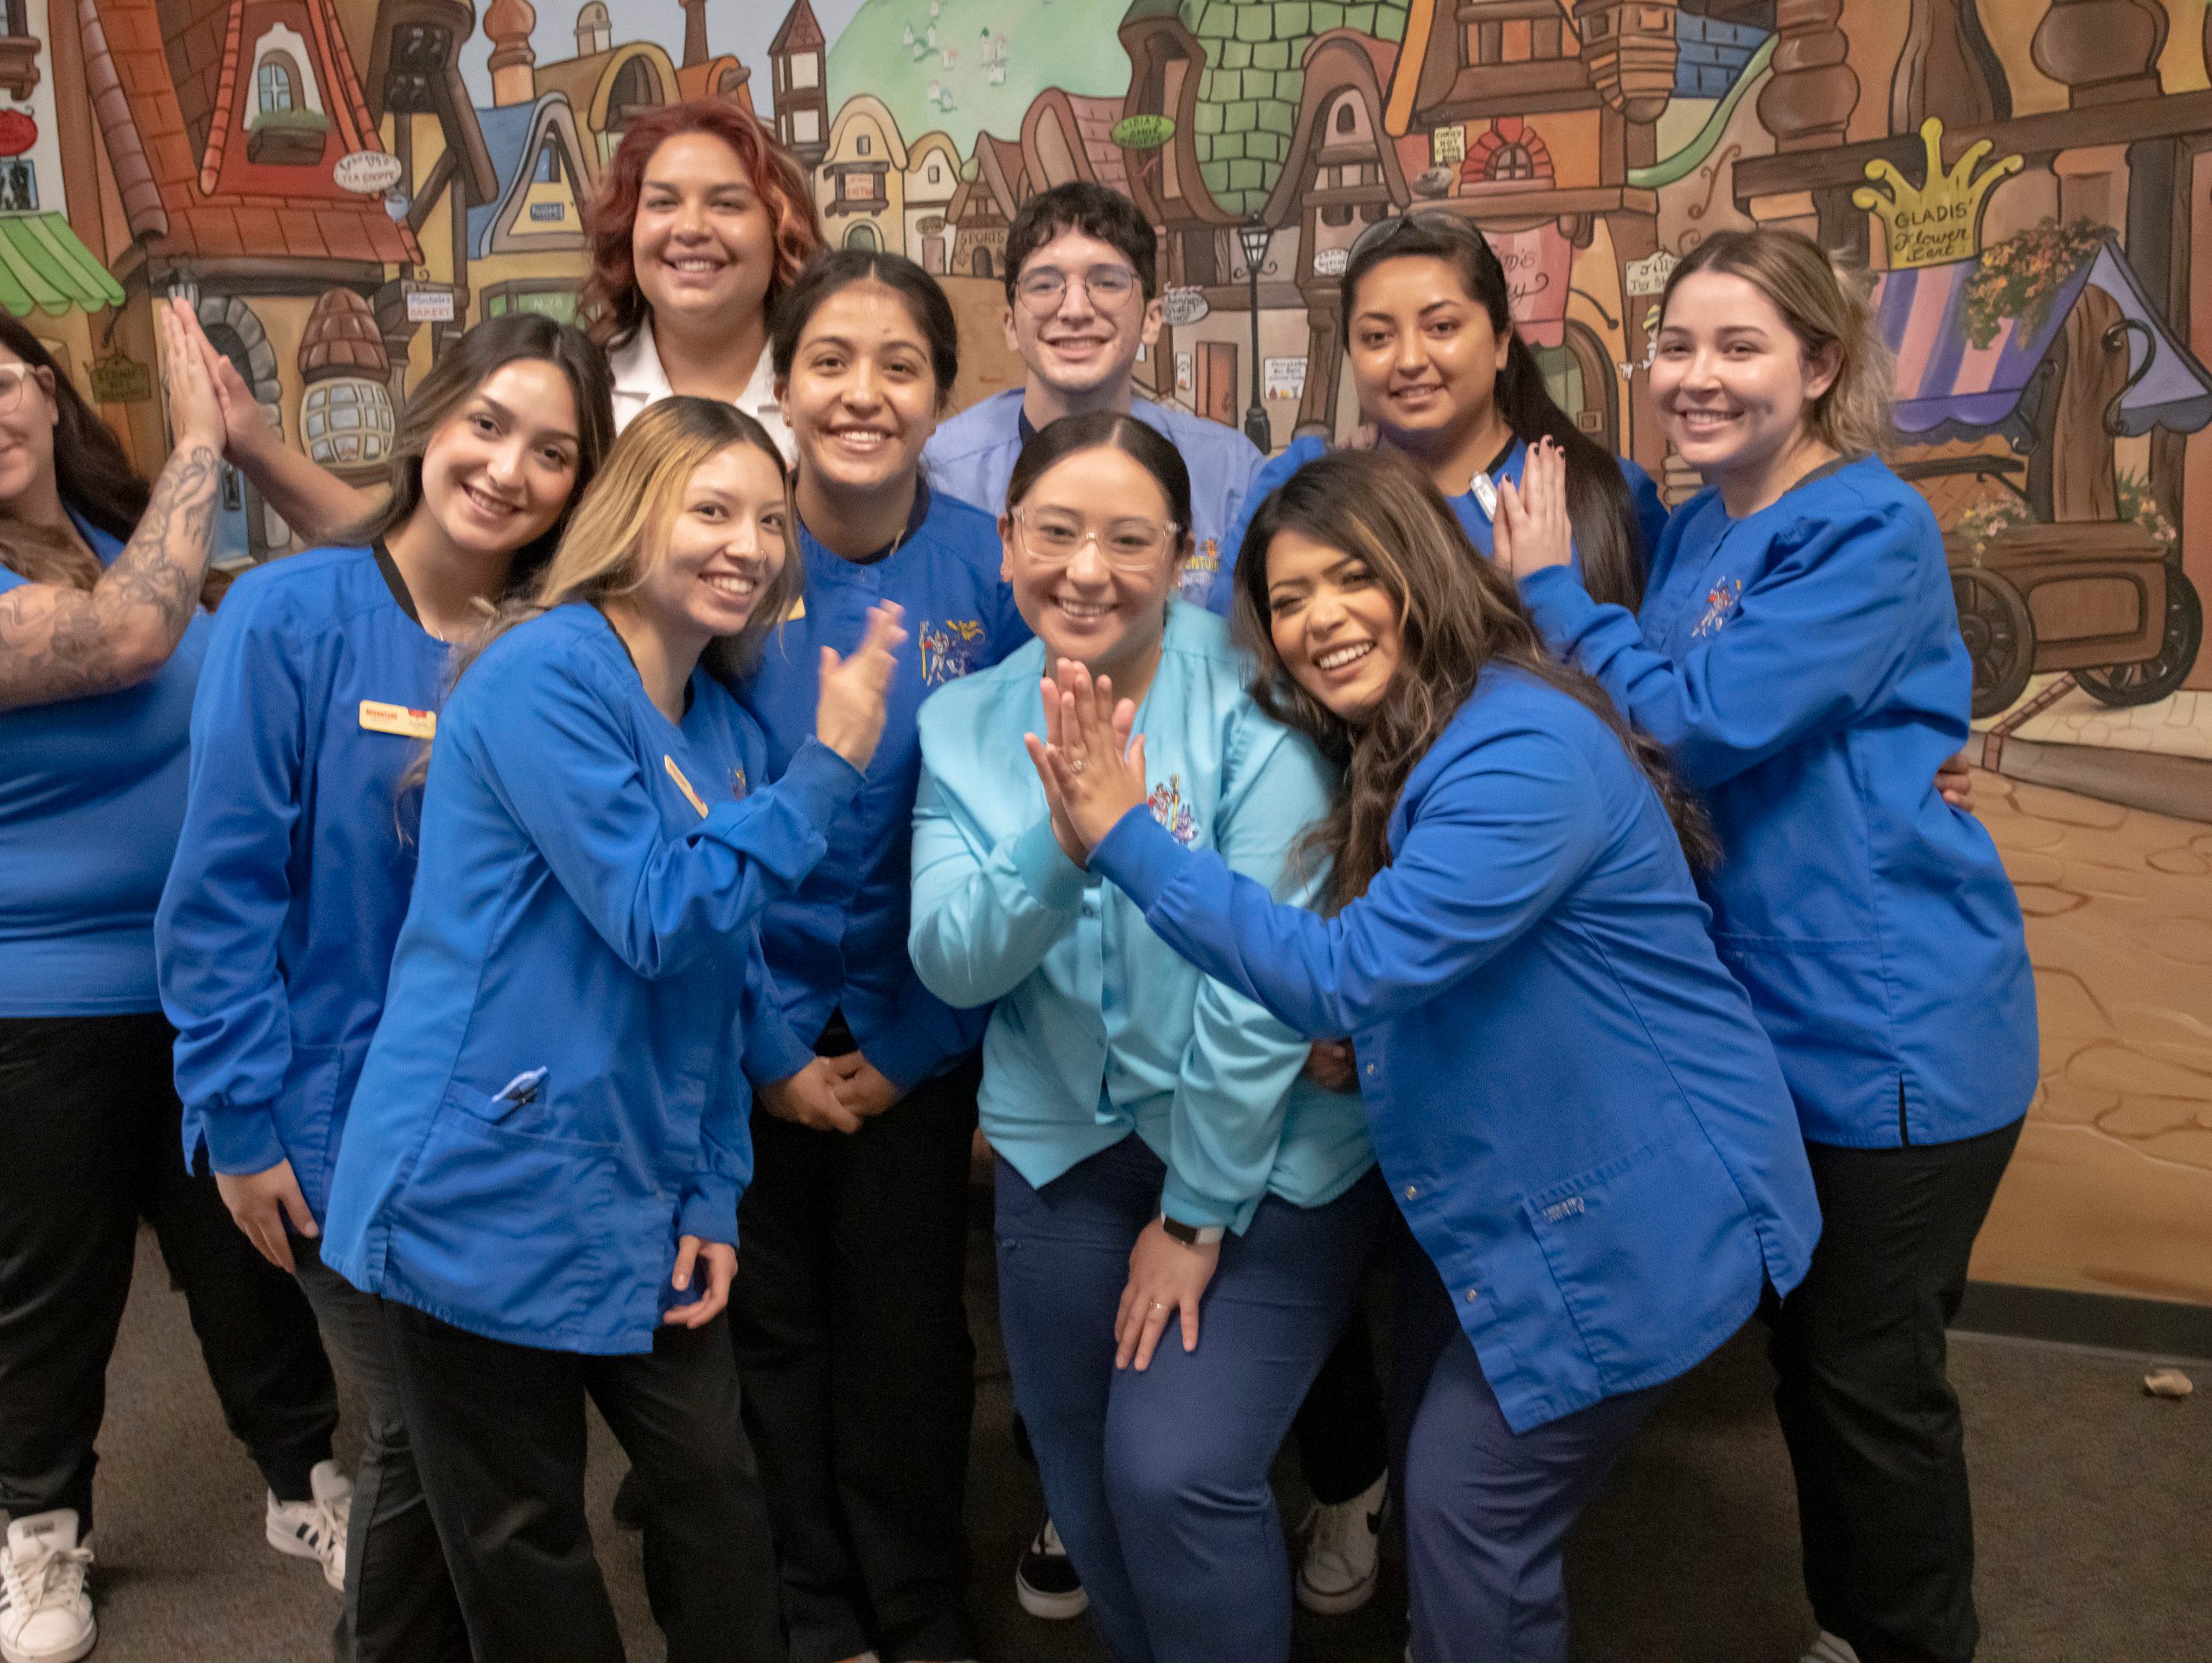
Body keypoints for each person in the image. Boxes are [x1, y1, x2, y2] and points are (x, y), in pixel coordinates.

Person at [1031, 446, 1821, 1662]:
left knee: (1468, 1507)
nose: (1320, 621)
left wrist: (1126, 838)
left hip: (1631, 1219)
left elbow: (1346, 969)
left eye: (1352, 578)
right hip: (1524, 1209)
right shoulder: (1425, 733)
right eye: (1288, 601)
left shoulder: (1519, 750)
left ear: (1425, 573)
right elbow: (1431, 966)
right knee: (1454, 1508)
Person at [1498, 228, 2039, 1663]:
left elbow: (1702, 720)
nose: (1696, 376)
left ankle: (1908, 1637)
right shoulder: (1703, 526)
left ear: (1820, 365)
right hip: (1775, 1029)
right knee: (1823, 1366)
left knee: (1869, 1382)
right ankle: (1860, 1627)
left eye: (1741, 347)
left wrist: (1555, 588)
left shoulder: (1869, 523)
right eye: (1677, 345)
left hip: (1894, 1041)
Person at [320, 397, 904, 1662]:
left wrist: (711, 1191)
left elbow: (712, 976)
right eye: (711, 509)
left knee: (712, 1493)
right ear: (631, 517)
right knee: (521, 1534)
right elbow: (656, 913)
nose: (748, 542)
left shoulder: (723, 717)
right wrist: (833, 766)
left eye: (767, 519)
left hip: (634, 1176)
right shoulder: (548, 672)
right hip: (480, 1176)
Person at [0, 295, 347, 1663]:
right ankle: (41, 1533)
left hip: (197, 985)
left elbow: (375, 561)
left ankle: (307, 1486)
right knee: (51, 1280)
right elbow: (122, 639)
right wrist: (192, 441)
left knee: (249, 1252)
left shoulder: (133, 542)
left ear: (49, 394)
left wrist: (246, 443)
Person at [156, 314, 616, 1663]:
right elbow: (222, 892)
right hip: (330, 1117)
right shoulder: (293, 615)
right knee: (429, 1430)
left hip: (505, 1128)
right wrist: (239, 1119)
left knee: (448, 1441)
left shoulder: (564, 640)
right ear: (432, 427)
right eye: (487, 425)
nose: (507, 468)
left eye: (554, 451)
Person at [909, 413, 1381, 1663]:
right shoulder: (963, 725)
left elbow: (1264, 982)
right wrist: (1062, 847)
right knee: (1078, 1471)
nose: (1086, 568)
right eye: (1055, 532)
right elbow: (953, 955)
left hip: (1264, 1153)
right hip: (1060, 1143)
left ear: (1187, 553)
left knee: (1172, 1471)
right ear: (1007, 540)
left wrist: (1193, 1216)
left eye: (1130, 539)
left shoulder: (1257, 703)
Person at [723, 251, 1026, 1663]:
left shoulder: (992, 568)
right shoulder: (725, 555)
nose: (863, 391)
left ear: (942, 392)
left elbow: (1027, 833)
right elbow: (674, 813)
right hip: (738, 1027)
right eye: (829, 360)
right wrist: (770, 1050)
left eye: (899, 363)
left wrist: (911, 1049)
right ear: (782, 386)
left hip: (926, 1028)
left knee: (909, 1341)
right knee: (771, 1334)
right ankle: (813, 1612)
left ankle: (917, 1608)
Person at [1210, 206, 1668, 615]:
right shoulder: (1299, 484)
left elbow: (1653, 689)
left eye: (1441, 327)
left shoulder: (1606, 493)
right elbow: (1228, 660)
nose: (1409, 360)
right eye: (1377, 337)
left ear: (1501, 342)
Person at [924, 182, 1261, 602]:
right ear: (1010, 324)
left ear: (1152, 320)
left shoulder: (1230, 475)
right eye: (1044, 285)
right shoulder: (938, 475)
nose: (1076, 310)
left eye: (1107, 282)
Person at [585, 96, 826, 451]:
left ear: (781, 233)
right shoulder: (581, 394)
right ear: (627, 229)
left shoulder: (829, 397)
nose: (691, 228)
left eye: (726, 204)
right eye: (663, 203)